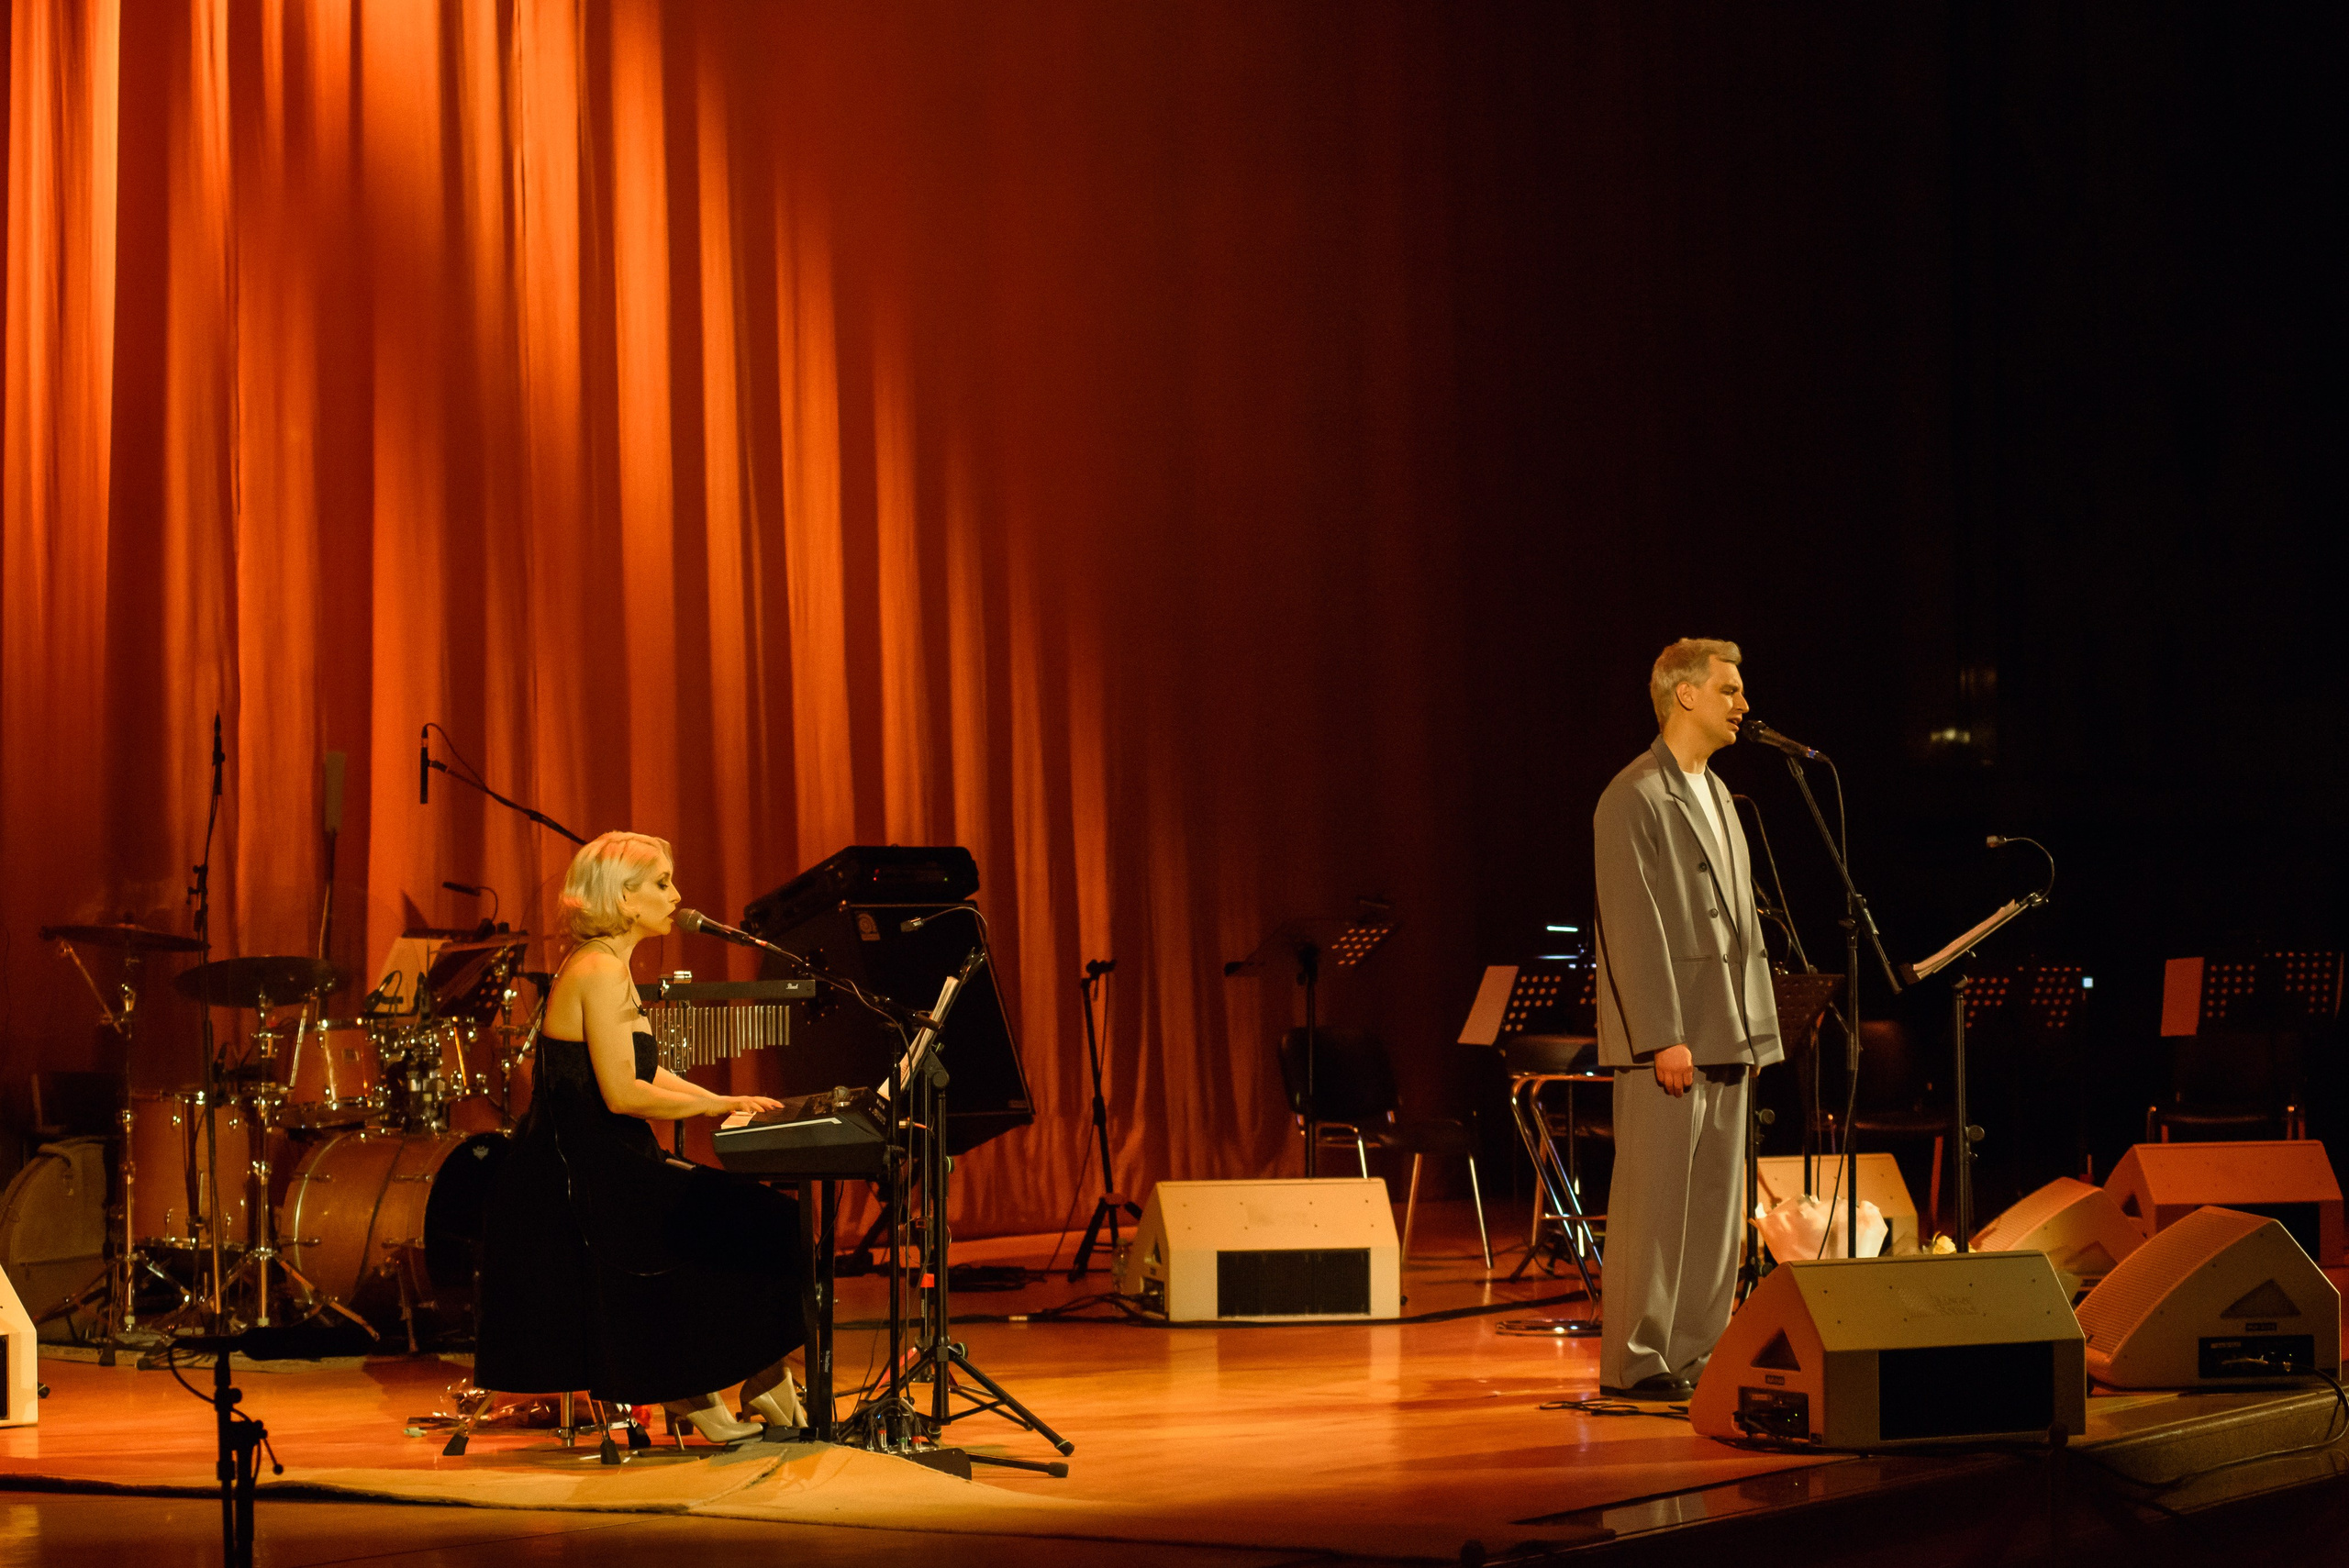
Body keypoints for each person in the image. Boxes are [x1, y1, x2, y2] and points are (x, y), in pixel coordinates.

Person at [474, 830, 811, 1442]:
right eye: (661, 883)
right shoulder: (599, 968)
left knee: (762, 1217)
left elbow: (647, 1068)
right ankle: (704, 1380)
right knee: (752, 1220)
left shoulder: (613, 964)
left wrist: (720, 1100)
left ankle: (753, 1376)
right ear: (625, 899)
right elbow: (624, 1094)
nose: (677, 895)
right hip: (581, 1178)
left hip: (617, 1161)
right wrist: (714, 1108)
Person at [1592, 638, 1783, 1399]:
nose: (1742, 703)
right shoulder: (1632, 795)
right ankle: (1638, 1360)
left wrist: (1759, 1026)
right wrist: (1662, 1033)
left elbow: (1743, 923)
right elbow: (1634, 925)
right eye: (1729, 689)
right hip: (1669, 1040)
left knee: (1715, 1209)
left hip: (1728, 1029)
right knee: (1655, 1206)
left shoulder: (1721, 795)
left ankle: (1698, 1354)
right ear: (1685, 695)